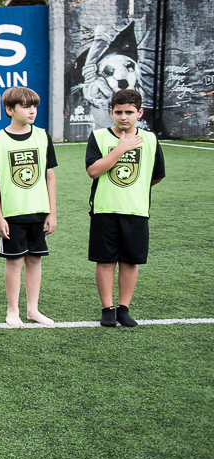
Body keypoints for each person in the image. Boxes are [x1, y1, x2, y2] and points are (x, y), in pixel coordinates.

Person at [85, 88, 165, 327]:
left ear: (139, 113)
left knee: (130, 261)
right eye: (118, 112)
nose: (123, 117)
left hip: (136, 209)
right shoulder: (99, 137)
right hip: (105, 209)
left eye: (129, 112)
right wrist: (120, 149)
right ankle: (107, 308)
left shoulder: (149, 140)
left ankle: (124, 308)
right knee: (106, 260)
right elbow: (93, 171)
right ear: (111, 112)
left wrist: (136, 189)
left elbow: (157, 175)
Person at [0, 87, 58, 328]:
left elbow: (49, 176)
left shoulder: (42, 135)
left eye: (34, 106)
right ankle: (12, 311)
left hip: (38, 211)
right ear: (10, 110)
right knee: (14, 261)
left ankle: (33, 310)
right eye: (26, 106)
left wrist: (52, 212)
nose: (32, 111)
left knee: (35, 260)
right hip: (12, 213)